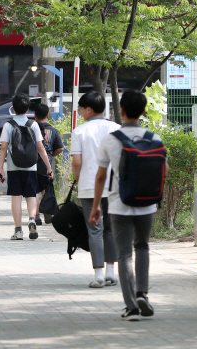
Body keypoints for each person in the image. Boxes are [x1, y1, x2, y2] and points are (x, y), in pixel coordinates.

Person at [90, 90, 168, 321]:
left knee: (125, 254)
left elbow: (101, 177)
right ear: (144, 112)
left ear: (121, 111)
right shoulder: (155, 139)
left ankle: (131, 307)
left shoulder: (111, 139)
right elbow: (165, 171)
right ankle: (142, 293)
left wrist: (96, 206)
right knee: (142, 247)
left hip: (118, 204)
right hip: (147, 205)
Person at [71, 91, 119, 288]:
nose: (80, 112)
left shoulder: (80, 131)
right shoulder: (117, 129)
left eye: (81, 109)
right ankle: (110, 272)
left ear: (88, 109)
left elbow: (76, 162)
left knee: (95, 231)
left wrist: (78, 179)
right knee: (110, 229)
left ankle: (98, 274)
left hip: (90, 187)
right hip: (114, 187)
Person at [0, 93, 52, 241]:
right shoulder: (33, 124)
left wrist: (0, 168)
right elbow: (40, 147)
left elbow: (3, 148)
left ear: (13, 109)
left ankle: (18, 230)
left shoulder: (8, 125)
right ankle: (32, 219)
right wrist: (48, 166)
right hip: (31, 166)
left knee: (16, 197)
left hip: (14, 167)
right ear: (28, 109)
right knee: (31, 195)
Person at [34, 104, 64, 225]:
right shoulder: (53, 130)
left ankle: (36, 215)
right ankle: (47, 211)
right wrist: (51, 156)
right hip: (47, 165)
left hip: (31, 163)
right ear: (47, 115)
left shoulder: (31, 128)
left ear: (35, 115)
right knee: (46, 189)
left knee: (34, 191)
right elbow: (60, 148)